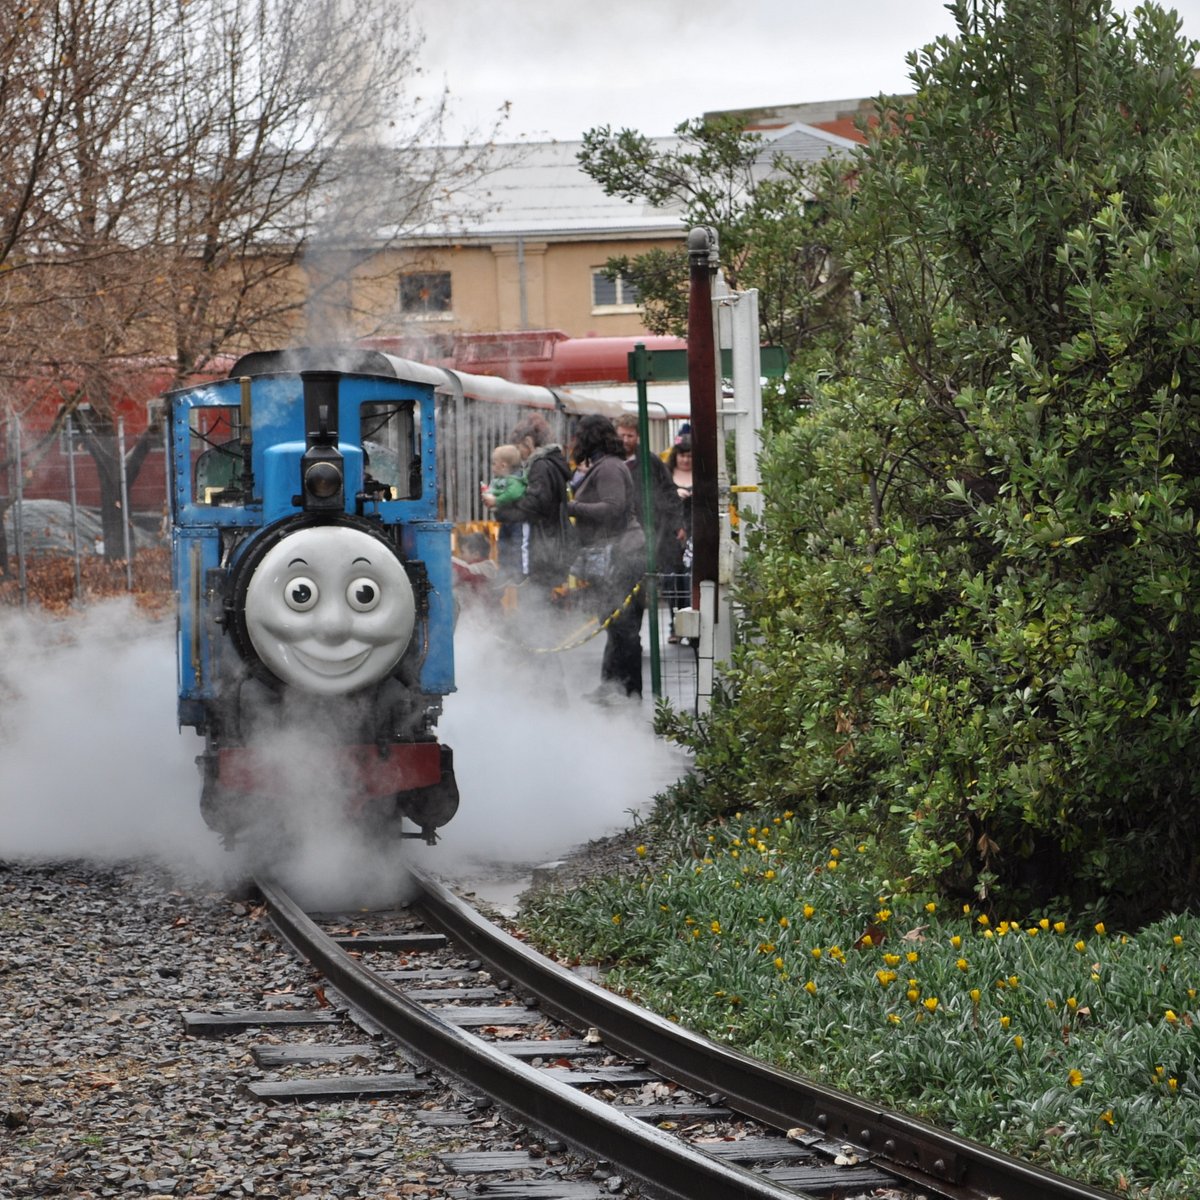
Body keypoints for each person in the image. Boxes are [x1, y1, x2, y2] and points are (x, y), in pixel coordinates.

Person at [568, 414, 646, 701]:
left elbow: (613, 508)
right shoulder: (606, 466)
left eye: (578, 436)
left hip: (621, 554)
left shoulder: (609, 468)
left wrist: (573, 508)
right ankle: (614, 686)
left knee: (623, 626)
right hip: (619, 553)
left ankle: (626, 690)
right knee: (616, 624)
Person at [482, 413, 572, 591]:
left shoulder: (540, 467)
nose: (518, 453)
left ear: (529, 442)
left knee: (536, 603)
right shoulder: (551, 464)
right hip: (549, 546)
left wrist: (501, 509)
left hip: (541, 549)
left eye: (518, 447)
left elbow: (535, 505)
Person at [613, 411, 685, 616]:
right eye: (621, 435)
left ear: (638, 437)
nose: (625, 440)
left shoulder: (650, 461)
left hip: (650, 530)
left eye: (630, 436)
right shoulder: (610, 462)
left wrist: (677, 523)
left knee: (655, 583)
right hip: (620, 535)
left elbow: (668, 491)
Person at [483, 444, 528, 582]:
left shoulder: (515, 480)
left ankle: (518, 573)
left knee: (516, 547)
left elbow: (513, 494)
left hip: (517, 522)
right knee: (502, 545)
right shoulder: (499, 480)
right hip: (505, 521)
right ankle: (505, 571)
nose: (492, 467)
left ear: (503, 466)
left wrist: (496, 500)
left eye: (493, 463)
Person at [664, 437, 694, 638]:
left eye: (690, 456)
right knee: (671, 582)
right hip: (670, 536)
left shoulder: (699, 476)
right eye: (682, 456)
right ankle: (674, 624)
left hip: (693, 535)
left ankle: (689, 625)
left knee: (689, 582)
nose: (685, 460)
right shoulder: (667, 476)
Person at [451, 530, 499, 611]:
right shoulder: (475, 567)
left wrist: (446, 557)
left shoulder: (486, 567)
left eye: (463, 552)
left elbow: (465, 571)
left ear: (476, 554)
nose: (460, 556)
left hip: (487, 617)